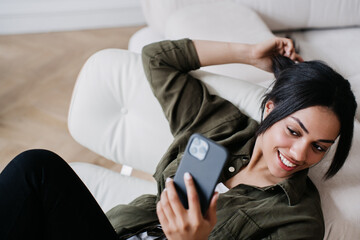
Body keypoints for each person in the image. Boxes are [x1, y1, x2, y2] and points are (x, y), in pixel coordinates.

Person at [0, 37, 357, 240]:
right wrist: (249, 55)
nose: (298, 154)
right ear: (270, 110)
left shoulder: (298, 221)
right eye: (294, 131)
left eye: (319, 147)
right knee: (37, 167)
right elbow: (157, 59)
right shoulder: (222, 126)